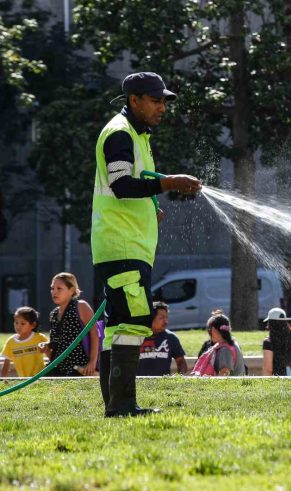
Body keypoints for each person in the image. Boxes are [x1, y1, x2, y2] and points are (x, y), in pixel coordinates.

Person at [93, 71, 202, 416]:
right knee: (133, 321)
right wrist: (168, 183)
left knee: (117, 327)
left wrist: (150, 207)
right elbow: (122, 185)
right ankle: (123, 406)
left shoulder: (137, 136)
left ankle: (116, 404)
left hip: (126, 243)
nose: (162, 108)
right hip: (123, 245)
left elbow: (133, 186)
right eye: (155, 101)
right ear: (134, 100)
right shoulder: (120, 134)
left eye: (164, 101)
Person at [42, 273, 100, 377]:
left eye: (59, 288)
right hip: (58, 367)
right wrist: (46, 347)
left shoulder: (81, 306)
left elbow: (95, 334)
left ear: (72, 290)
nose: (54, 292)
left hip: (79, 367)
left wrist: (92, 362)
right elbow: (57, 343)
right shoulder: (53, 314)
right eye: (52, 288)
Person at [137, 302, 187, 376]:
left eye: (166, 317)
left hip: (162, 386)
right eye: (161, 318)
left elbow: (181, 363)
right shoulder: (137, 337)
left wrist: (179, 378)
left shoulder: (171, 338)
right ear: (151, 319)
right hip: (139, 385)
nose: (166, 321)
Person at [192, 312, 246, 376]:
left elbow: (224, 375)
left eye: (209, 329)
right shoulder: (232, 344)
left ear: (213, 329)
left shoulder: (225, 350)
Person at [1, 307, 49, 377]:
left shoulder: (40, 338)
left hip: (40, 379)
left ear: (33, 325)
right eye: (16, 322)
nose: (18, 326)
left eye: (23, 323)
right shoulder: (10, 342)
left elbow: (51, 355)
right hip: (23, 382)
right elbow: (6, 364)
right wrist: (2, 381)